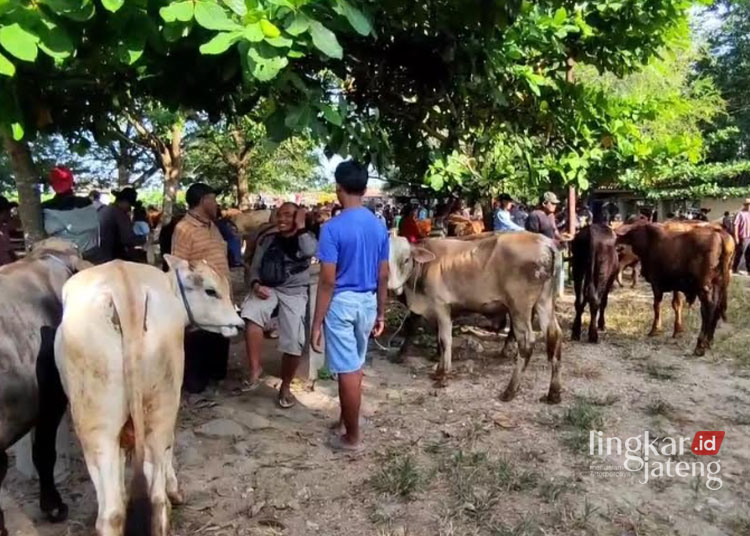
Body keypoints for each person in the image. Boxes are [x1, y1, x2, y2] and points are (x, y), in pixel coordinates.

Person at [311, 160, 389, 451]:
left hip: (341, 304)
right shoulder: (379, 226)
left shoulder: (332, 229)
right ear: (366, 189)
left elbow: (327, 281)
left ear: (338, 189)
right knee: (355, 366)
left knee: (348, 371)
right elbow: (384, 274)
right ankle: (347, 421)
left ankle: (352, 436)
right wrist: (381, 311)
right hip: (368, 303)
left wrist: (317, 322)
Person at [241, 203, 317, 407]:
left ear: (299, 218)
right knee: (251, 312)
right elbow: (255, 266)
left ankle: (285, 386)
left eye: (288, 215)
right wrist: (256, 284)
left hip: (294, 292)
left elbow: (310, 250)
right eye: (279, 215)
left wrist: (300, 226)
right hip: (269, 287)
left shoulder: (306, 238)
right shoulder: (268, 239)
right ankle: (255, 369)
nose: (282, 219)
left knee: (294, 342)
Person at [171, 183, 232, 393]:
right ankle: (195, 383)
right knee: (199, 340)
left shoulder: (212, 225)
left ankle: (215, 376)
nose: (216, 204)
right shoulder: (184, 228)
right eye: (213, 199)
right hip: (201, 298)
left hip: (220, 295)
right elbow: (178, 265)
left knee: (220, 335)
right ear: (203, 200)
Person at [41, 166, 101, 259]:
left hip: (61, 257)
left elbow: (49, 230)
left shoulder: (46, 208)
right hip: (90, 254)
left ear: (52, 185)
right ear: (72, 183)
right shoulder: (87, 203)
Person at [98, 187, 146, 263]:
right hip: (114, 256)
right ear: (124, 202)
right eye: (130, 205)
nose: (130, 208)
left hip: (102, 253)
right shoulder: (119, 214)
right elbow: (127, 238)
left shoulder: (104, 210)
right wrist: (142, 239)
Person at [733, 198, 750, 274]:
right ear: (745, 205)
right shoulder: (740, 214)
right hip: (743, 236)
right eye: (748, 205)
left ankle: (748, 269)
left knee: (749, 254)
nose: (749, 206)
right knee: (740, 252)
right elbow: (735, 225)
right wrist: (736, 237)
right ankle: (734, 267)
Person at [0, 196, 16, 266]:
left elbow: (10, 253)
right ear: (4, 212)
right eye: (8, 210)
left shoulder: (3, 230)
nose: (10, 214)